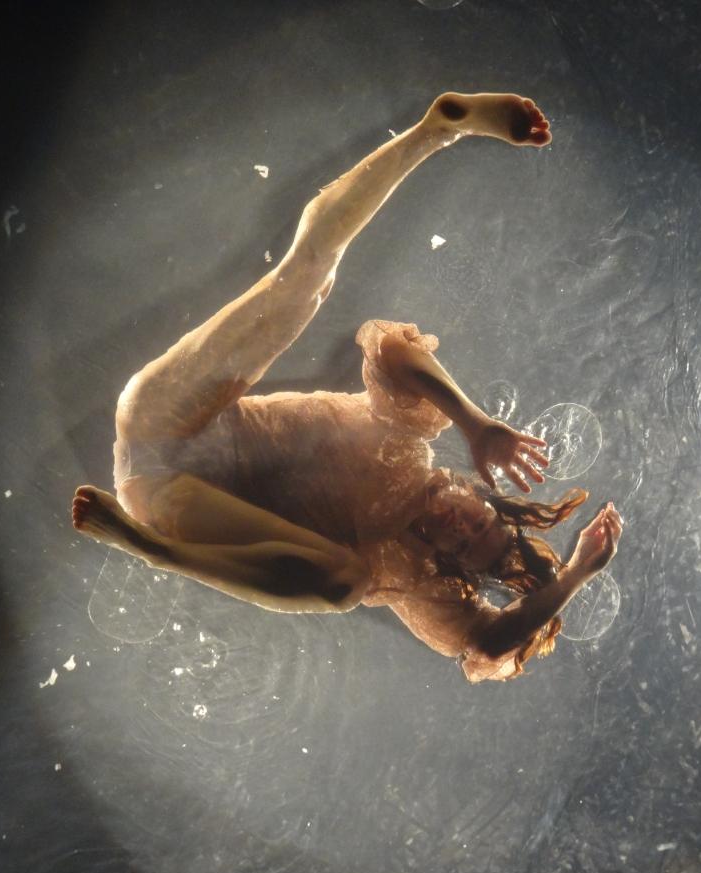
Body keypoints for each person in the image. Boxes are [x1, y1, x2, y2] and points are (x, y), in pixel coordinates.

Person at [72, 92, 624, 682]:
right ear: (480, 495)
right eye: (481, 522)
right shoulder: (408, 438)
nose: (462, 529)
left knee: (346, 584)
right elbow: (391, 351)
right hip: (166, 415)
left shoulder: (406, 574)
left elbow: (487, 643)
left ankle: (152, 551)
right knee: (306, 281)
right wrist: (475, 423)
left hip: (165, 500)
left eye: (462, 547)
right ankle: (439, 129)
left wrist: (574, 576)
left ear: (448, 561)